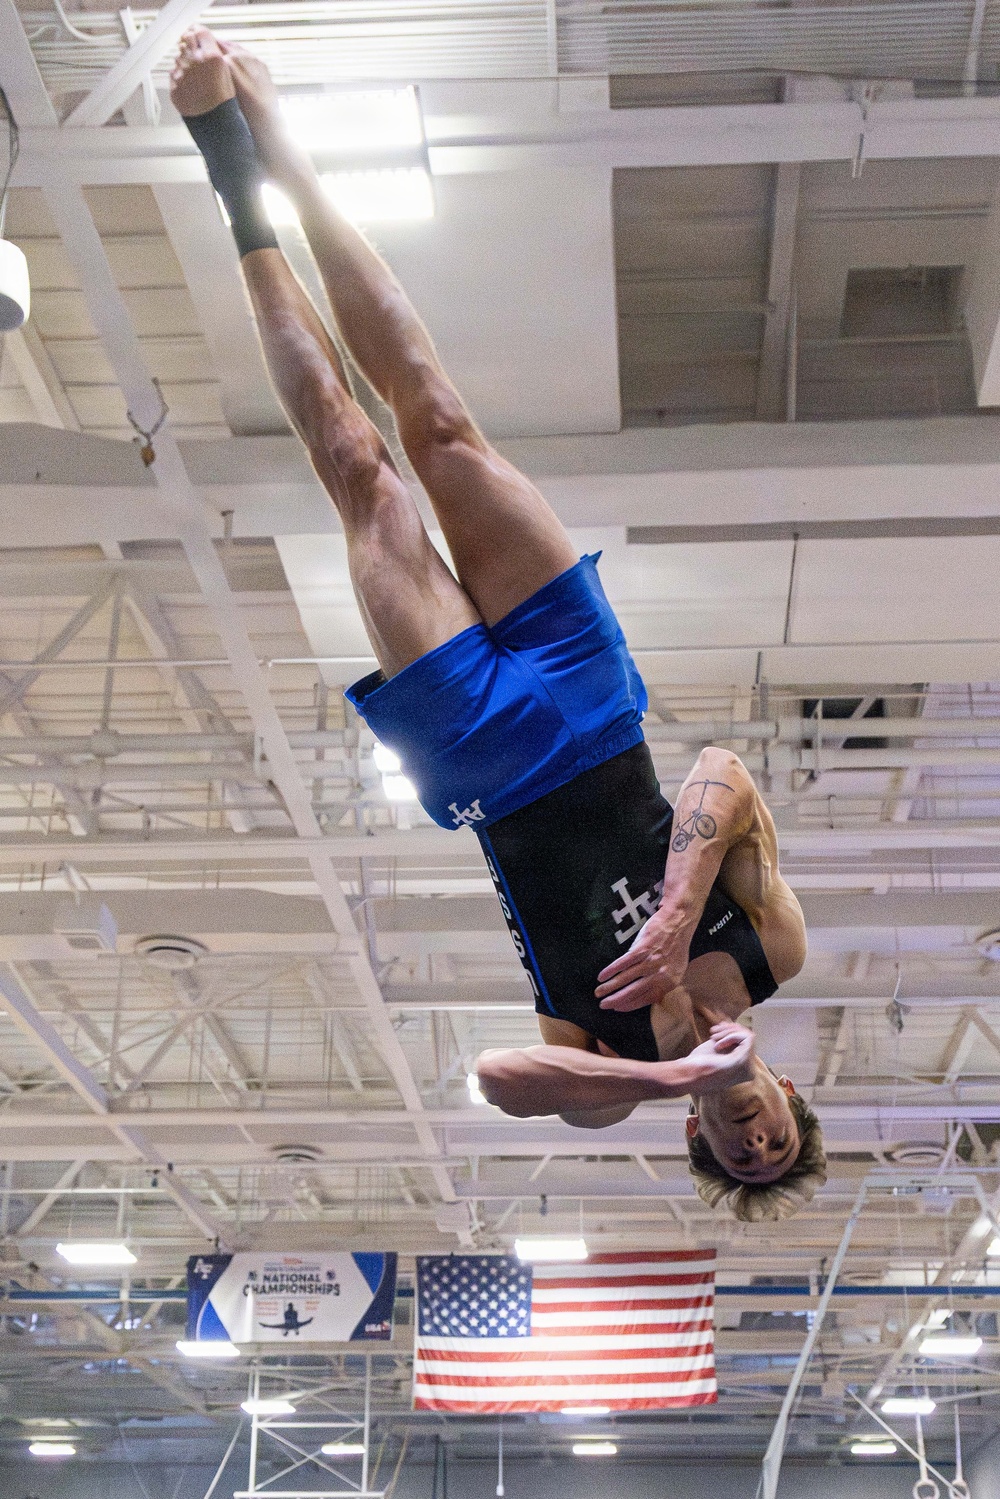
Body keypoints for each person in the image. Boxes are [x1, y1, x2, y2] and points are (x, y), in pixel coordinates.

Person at [169, 31, 826, 1222]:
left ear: (705, 1134)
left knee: (359, 468)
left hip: (482, 758)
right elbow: (724, 773)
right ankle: (279, 147)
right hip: (589, 699)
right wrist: (679, 912)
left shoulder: (610, 1078)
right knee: (440, 424)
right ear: (786, 1093)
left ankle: (226, 173)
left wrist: (667, 1060)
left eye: (741, 1159)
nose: (755, 1139)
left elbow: (495, 1076)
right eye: (777, 1139)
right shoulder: (773, 948)